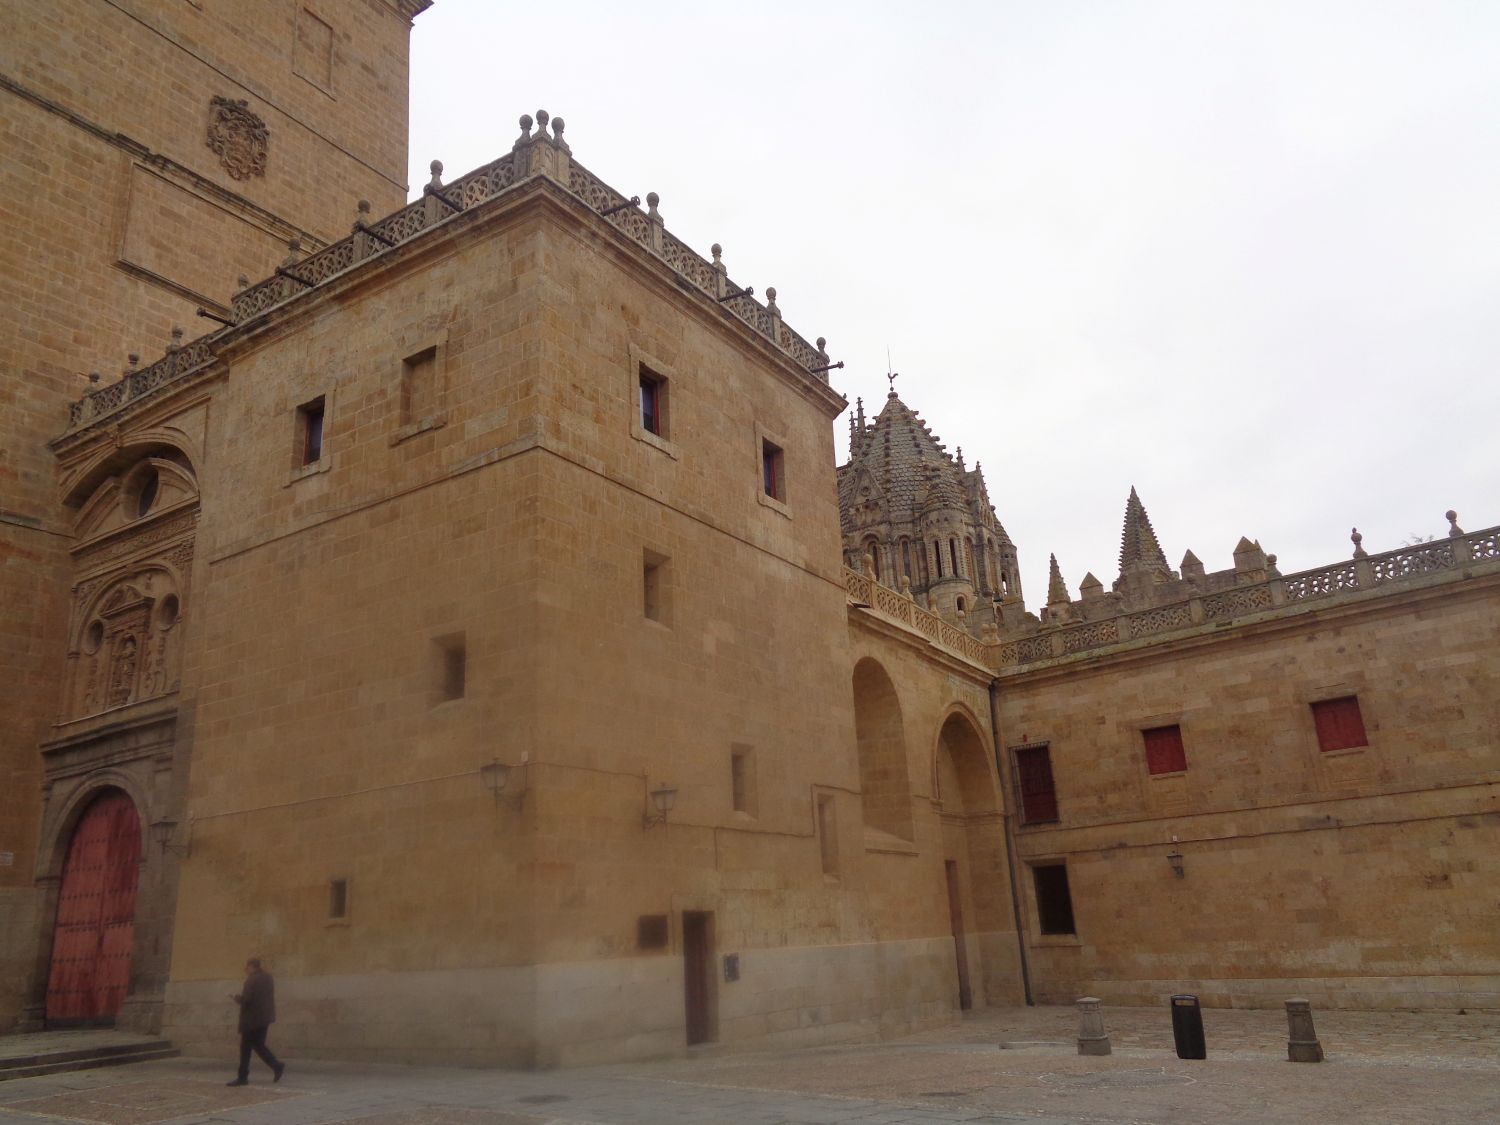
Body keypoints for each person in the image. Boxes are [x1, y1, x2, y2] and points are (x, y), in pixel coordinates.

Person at [228, 957, 285, 1086]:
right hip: (264, 1018)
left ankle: (243, 1077)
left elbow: (247, 1000)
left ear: (252, 966)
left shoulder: (251, 980)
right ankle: (276, 1065)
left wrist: (237, 998)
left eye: (247, 967)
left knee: (246, 1049)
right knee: (258, 1045)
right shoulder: (268, 978)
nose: (245, 969)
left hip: (251, 1020)